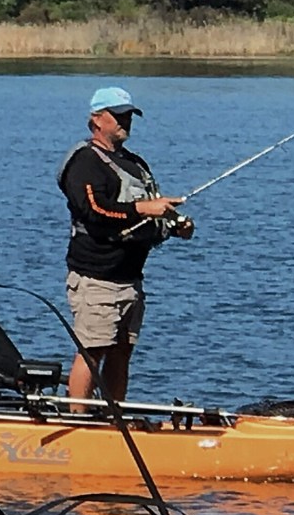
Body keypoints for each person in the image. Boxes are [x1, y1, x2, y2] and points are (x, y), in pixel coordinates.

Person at [57, 86, 194, 410]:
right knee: (92, 350)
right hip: (95, 277)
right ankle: (77, 416)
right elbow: (95, 210)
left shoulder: (135, 163)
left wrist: (175, 225)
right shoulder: (85, 162)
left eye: (129, 116)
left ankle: (113, 415)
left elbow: (149, 210)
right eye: (118, 116)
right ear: (96, 119)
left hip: (130, 278)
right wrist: (143, 209)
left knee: (121, 351)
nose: (125, 122)